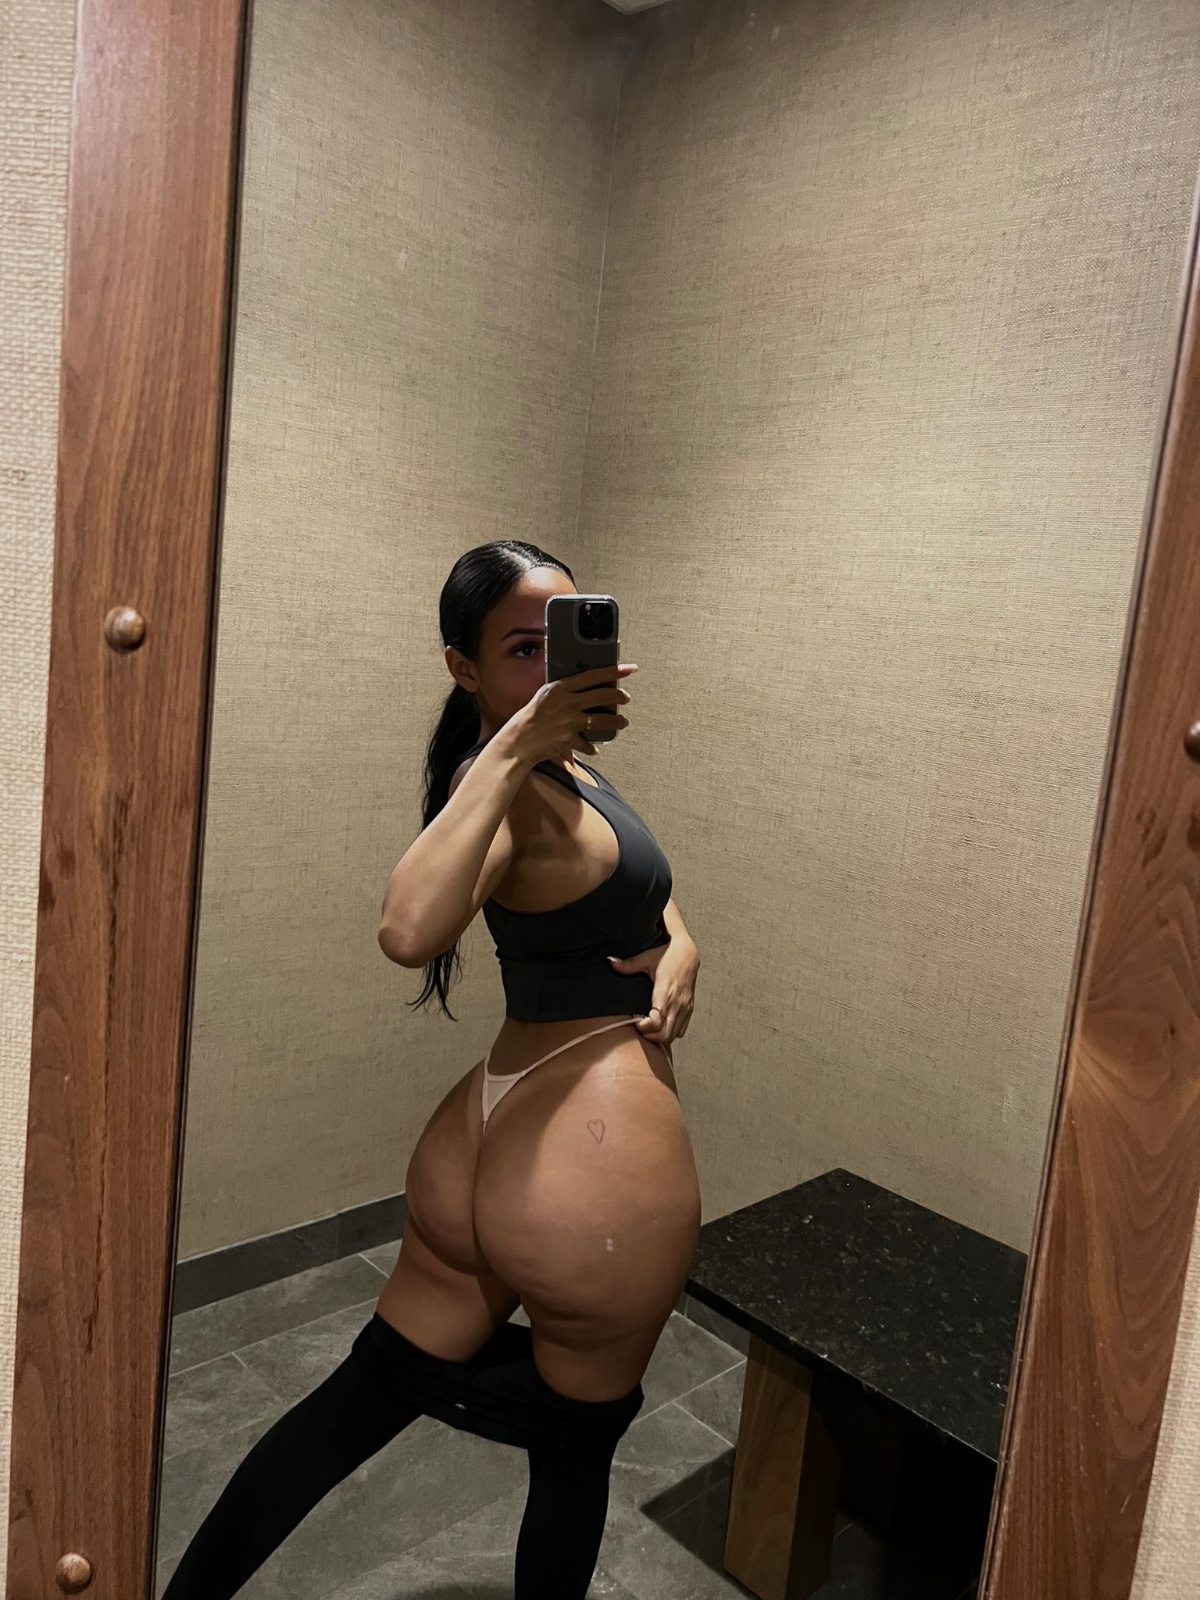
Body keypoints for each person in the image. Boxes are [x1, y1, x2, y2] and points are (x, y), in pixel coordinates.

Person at [163, 540, 702, 1599]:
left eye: (564, 638)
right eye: (520, 648)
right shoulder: (499, 787)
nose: (550, 666)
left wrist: (683, 942)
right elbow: (408, 931)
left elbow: (630, 884)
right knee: (575, 1452)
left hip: (488, 1135)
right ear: (464, 668)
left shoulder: (569, 770)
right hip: (586, 1169)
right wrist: (517, 744)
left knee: (357, 1401)